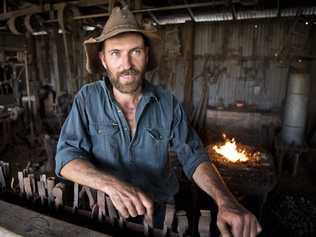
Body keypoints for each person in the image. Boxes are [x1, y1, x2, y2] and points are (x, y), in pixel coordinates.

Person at [55, 6, 262, 237]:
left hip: (159, 215)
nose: (127, 64)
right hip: (102, 210)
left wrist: (225, 201)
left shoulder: (167, 103)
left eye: (135, 52)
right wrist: (111, 185)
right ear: (103, 59)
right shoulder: (87, 98)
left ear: (146, 54)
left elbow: (193, 155)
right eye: (115, 53)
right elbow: (66, 158)